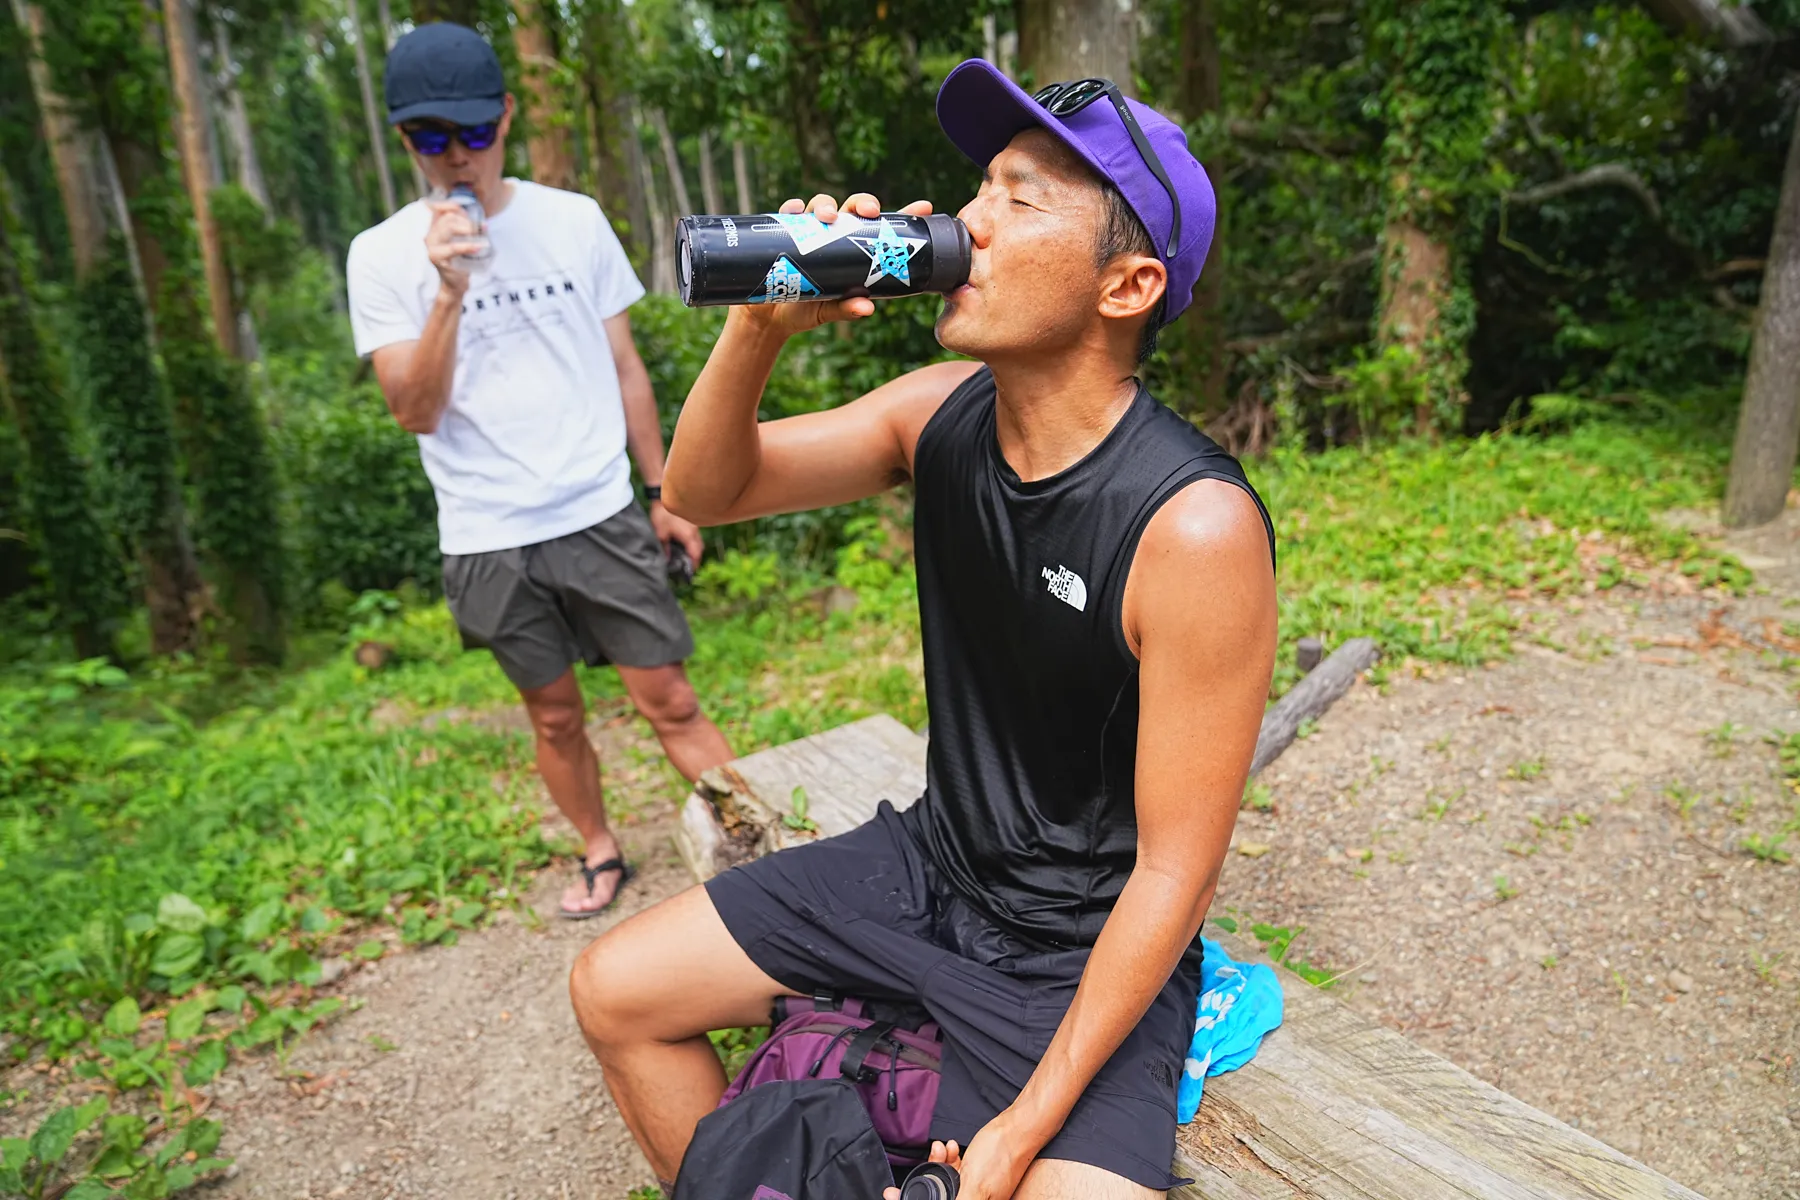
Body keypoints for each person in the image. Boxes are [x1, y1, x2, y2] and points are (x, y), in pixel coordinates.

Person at [570, 59, 1278, 1200]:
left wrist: (1018, 1133)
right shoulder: (935, 416)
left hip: (1074, 947)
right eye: (980, 187)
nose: (966, 222)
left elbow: (1175, 874)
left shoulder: (1192, 527)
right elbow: (703, 490)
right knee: (617, 991)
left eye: (1020, 198)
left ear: (1127, 286)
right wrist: (761, 325)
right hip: (930, 869)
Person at [345, 22, 733, 919]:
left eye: (474, 134)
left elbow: (626, 366)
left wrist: (666, 490)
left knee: (669, 697)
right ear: (405, 139)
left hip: (597, 508)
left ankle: (764, 856)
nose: (456, 158)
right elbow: (413, 410)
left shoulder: (572, 219)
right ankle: (601, 850)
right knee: (554, 715)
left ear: (507, 118)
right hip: (486, 532)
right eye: (432, 139)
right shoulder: (381, 254)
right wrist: (447, 289)